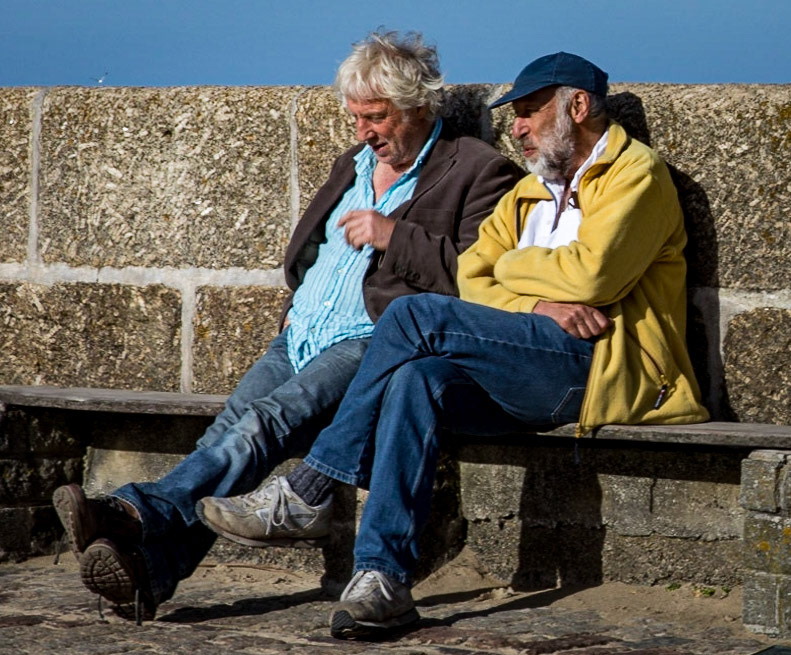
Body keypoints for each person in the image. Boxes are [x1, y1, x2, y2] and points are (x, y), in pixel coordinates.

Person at [198, 51, 710, 639]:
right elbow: (471, 274)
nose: (516, 127)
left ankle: (313, 486)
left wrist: (511, 270)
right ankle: (382, 579)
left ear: (578, 106)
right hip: (527, 359)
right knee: (418, 382)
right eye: (514, 116)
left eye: (528, 112)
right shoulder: (529, 194)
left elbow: (592, 277)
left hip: (600, 366)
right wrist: (538, 301)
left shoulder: (635, 175)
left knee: (414, 315)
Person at [51, 29, 522, 621]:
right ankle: (155, 571)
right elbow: (313, 252)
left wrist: (392, 235)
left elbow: (481, 279)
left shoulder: (477, 170)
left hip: (370, 340)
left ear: (418, 106)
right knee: (225, 434)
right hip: (301, 334)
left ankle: (133, 512)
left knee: (261, 427)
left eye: (375, 117)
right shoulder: (352, 163)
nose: (363, 132)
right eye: (354, 117)